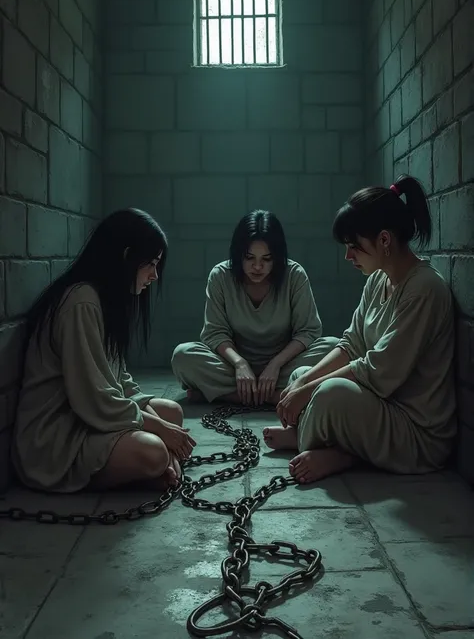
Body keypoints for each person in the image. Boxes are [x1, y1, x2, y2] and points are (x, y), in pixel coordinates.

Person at [263, 175, 456, 483]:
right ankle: (314, 435)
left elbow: (377, 370)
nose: (348, 256)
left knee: (330, 393)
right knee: (301, 375)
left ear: (384, 240)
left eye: (355, 246)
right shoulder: (379, 279)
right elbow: (351, 344)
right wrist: (302, 385)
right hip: (381, 407)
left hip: (415, 435)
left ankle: (339, 453)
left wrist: (308, 392)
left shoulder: (425, 289)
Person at [12, 208, 196, 493]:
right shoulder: (81, 301)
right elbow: (95, 399)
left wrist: (161, 425)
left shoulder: (105, 300)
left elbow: (120, 382)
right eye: (150, 263)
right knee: (154, 450)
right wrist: (159, 431)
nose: (155, 275)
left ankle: (158, 470)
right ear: (126, 257)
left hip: (88, 419)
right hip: (57, 439)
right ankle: (155, 467)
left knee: (171, 412)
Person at [172, 210, 338, 405]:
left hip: (284, 366)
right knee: (183, 356)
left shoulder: (294, 275)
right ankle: (277, 397)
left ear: (277, 257)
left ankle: (228, 396)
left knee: (334, 348)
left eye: (266, 259)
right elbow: (214, 333)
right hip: (234, 368)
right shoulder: (220, 276)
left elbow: (308, 331)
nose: (257, 267)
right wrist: (240, 364)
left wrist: (275, 365)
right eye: (250, 258)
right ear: (238, 254)